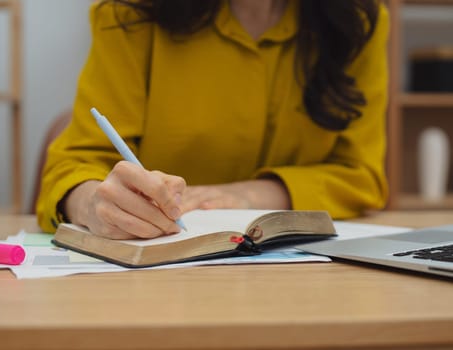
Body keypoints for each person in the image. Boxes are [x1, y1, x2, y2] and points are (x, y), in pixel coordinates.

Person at [36, 0, 389, 239]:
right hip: (149, 283)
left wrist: (253, 195)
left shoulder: (355, 23)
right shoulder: (130, 14)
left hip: (308, 283)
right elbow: (71, 169)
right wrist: (93, 203)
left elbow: (361, 174)